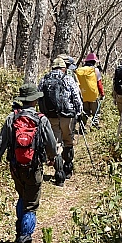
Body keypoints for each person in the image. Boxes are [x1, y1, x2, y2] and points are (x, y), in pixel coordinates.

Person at [0, 82, 61, 243]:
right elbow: (51, 144)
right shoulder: (41, 119)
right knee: (31, 205)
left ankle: (19, 233)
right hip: (34, 168)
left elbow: (0, 143)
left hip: (15, 168)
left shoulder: (11, 118)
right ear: (34, 101)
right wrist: (53, 159)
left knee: (22, 197)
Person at [38, 57, 83, 186]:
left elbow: (39, 97)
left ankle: (59, 176)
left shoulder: (44, 80)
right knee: (68, 141)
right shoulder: (68, 78)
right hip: (67, 116)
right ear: (64, 68)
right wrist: (78, 113)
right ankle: (68, 169)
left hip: (50, 117)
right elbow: (76, 97)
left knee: (56, 145)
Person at [75, 52, 104, 127]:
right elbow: (99, 84)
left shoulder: (79, 70)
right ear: (94, 62)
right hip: (93, 95)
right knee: (96, 113)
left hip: (83, 95)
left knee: (85, 112)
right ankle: (95, 127)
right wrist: (102, 94)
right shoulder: (95, 70)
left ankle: (82, 127)